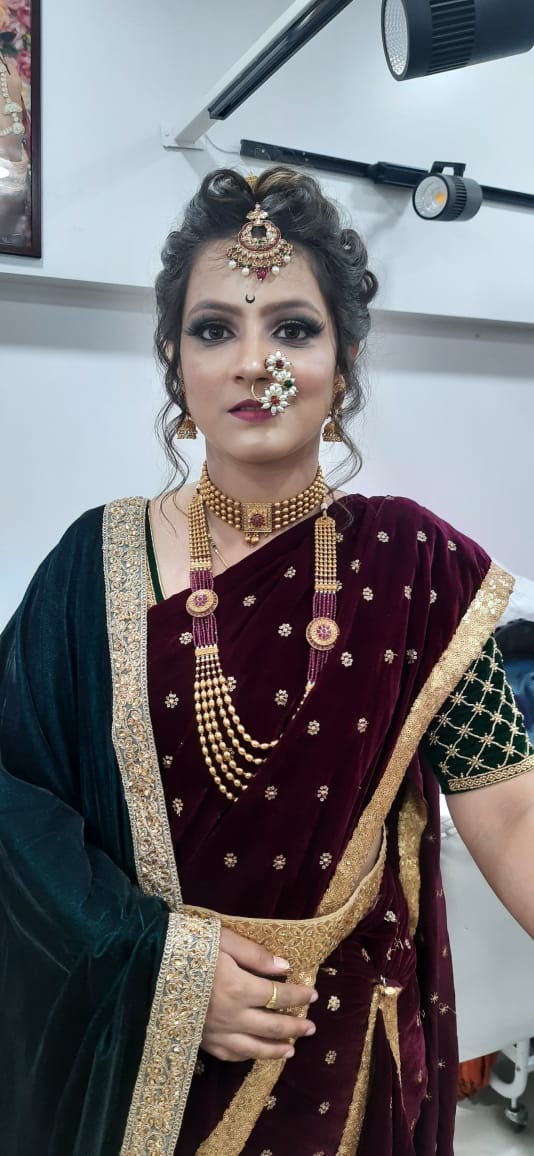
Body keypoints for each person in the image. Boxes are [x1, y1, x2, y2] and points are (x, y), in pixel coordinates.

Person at [1, 167, 533, 1156]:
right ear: (176, 362)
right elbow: (12, 810)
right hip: (141, 1061)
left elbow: (511, 811)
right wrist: (156, 965)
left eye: (292, 328)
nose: (256, 363)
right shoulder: (90, 566)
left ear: (345, 360)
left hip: (341, 1064)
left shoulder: (416, 566)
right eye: (215, 329)